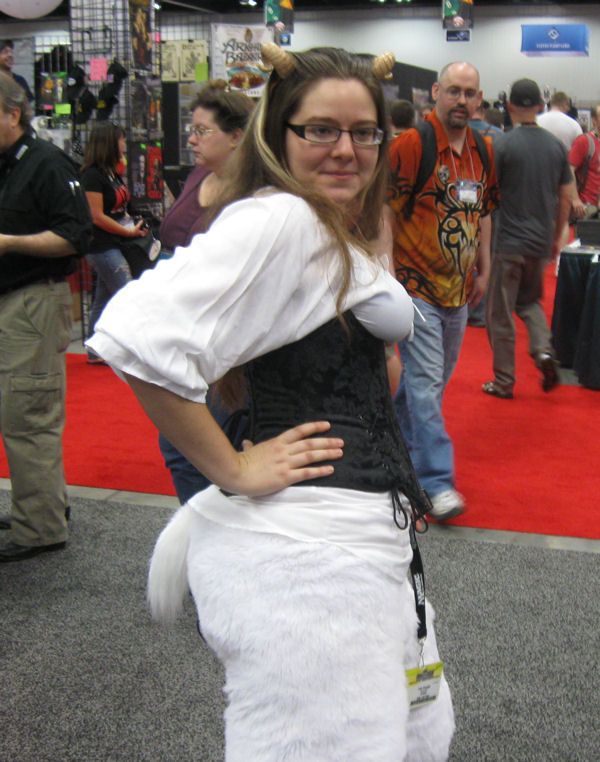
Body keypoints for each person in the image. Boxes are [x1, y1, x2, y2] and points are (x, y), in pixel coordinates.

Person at [88, 45, 454, 761]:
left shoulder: (326, 221)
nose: (346, 149)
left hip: (356, 540)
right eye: (320, 130)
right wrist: (233, 468)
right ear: (279, 134)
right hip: (309, 561)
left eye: (364, 132)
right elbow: (135, 333)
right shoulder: (282, 219)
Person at [388, 61, 498, 521]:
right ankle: (434, 482)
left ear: (479, 99)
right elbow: (384, 211)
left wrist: (484, 265)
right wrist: (386, 274)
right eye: (453, 90)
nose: (461, 100)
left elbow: (483, 210)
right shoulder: (412, 145)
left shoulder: (481, 150)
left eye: (469, 93)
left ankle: (386, 445)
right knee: (426, 385)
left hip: (458, 291)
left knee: (425, 384)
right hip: (414, 286)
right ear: (435, 92)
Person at [0, 72, 91, 562]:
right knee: (18, 412)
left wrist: (10, 243)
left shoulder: (46, 164)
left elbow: (76, 237)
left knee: (28, 414)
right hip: (15, 302)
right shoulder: (10, 164)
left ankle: (40, 527)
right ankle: (40, 508)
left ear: (12, 114)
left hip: (32, 301)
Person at [158, 81, 254, 503]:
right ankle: (205, 529)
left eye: (202, 130)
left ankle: (214, 529)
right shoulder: (201, 175)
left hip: (225, 341)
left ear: (236, 137)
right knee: (182, 448)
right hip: (183, 334)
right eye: (191, 130)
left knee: (198, 447)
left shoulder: (253, 195)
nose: (192, 140)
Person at [483, 79, 572, 400]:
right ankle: (543, 351)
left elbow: (487, 196)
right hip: (540, 241)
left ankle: (504, 381)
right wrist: (557, 237)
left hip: (508, 242)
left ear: (509, 106)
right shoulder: (556, 147)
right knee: (530, 301)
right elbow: (565, 198)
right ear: (539, 106)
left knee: (500, 312)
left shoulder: (502, 145)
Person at [81, 122, 146, 362]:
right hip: (101, 244)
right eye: (121, 139)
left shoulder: (111, 172)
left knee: (104, 296)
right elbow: (96, 216)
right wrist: (126, 232)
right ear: (110, 142)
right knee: (127, 292)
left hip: (115, 241)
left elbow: (120, 207)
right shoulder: (92, 176)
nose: (124, 144)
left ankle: (94, 348)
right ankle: (134, 346)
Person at [569, 104, 600, 222]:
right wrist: (575, 199)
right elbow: (569, 170)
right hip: (587, 206)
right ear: (594, 120)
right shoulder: (584, 141)